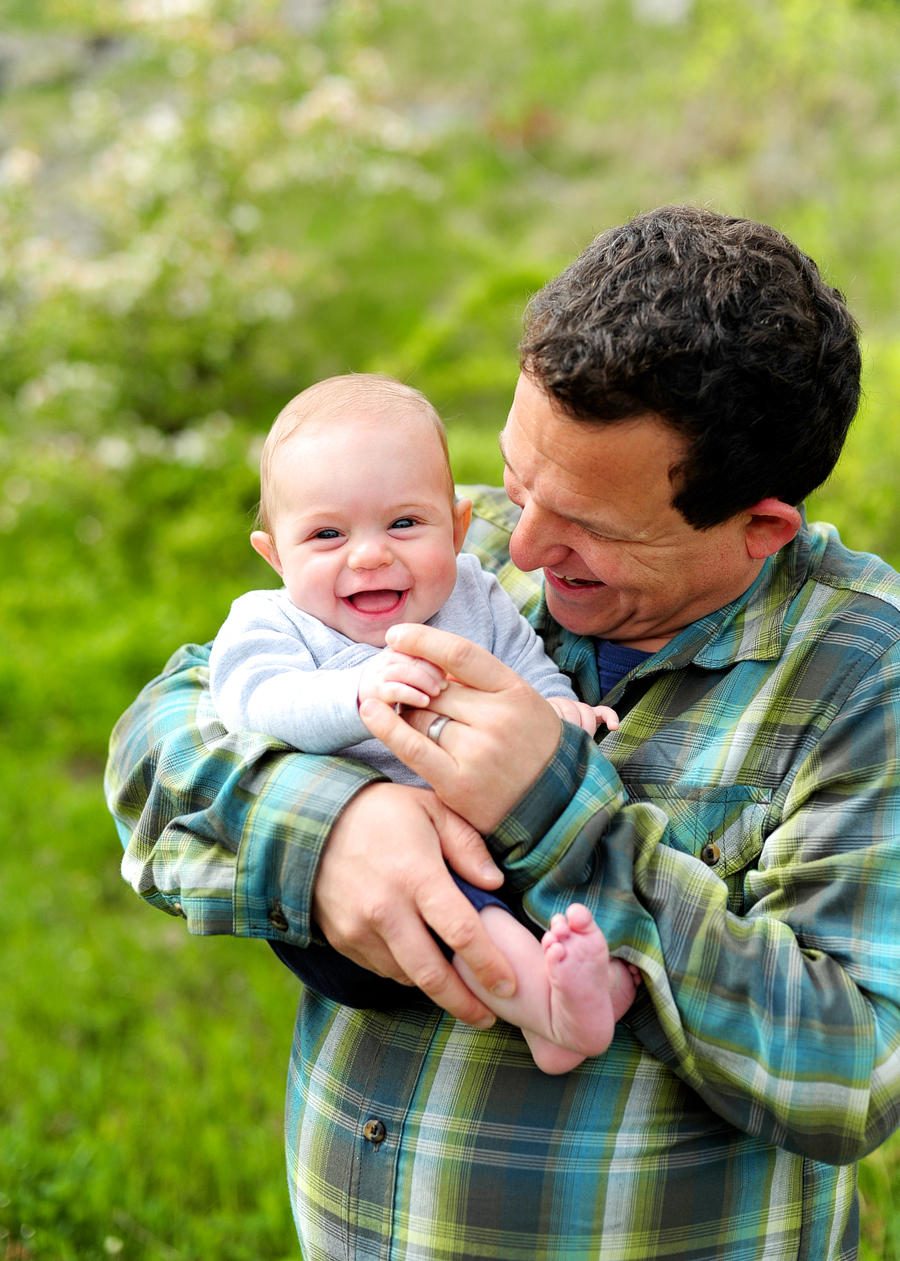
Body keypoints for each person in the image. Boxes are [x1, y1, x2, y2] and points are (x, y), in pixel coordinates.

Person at [106, 205, 900, 1261]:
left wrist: (561, 814)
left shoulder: (863, 681)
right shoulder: (438, 535)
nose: (522, 545)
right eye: (521, 482)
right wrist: (338, 826)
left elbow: (849, 1073)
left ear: (760, 527)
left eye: (592, 529)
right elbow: (164, 734)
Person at [207, 372, 636, 1073]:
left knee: (559, 847)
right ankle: (555, 1018)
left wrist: (558, 708)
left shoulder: (474, 593)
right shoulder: (273, 623)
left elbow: (523, 660)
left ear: (458, 527)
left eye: (404, 523)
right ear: (275, 556)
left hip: (479, 826)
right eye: (326, 534)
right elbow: (255, 701)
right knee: (461, 896)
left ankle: (595, 977)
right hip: (355, 899)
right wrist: (354, 692)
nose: (370, 553)